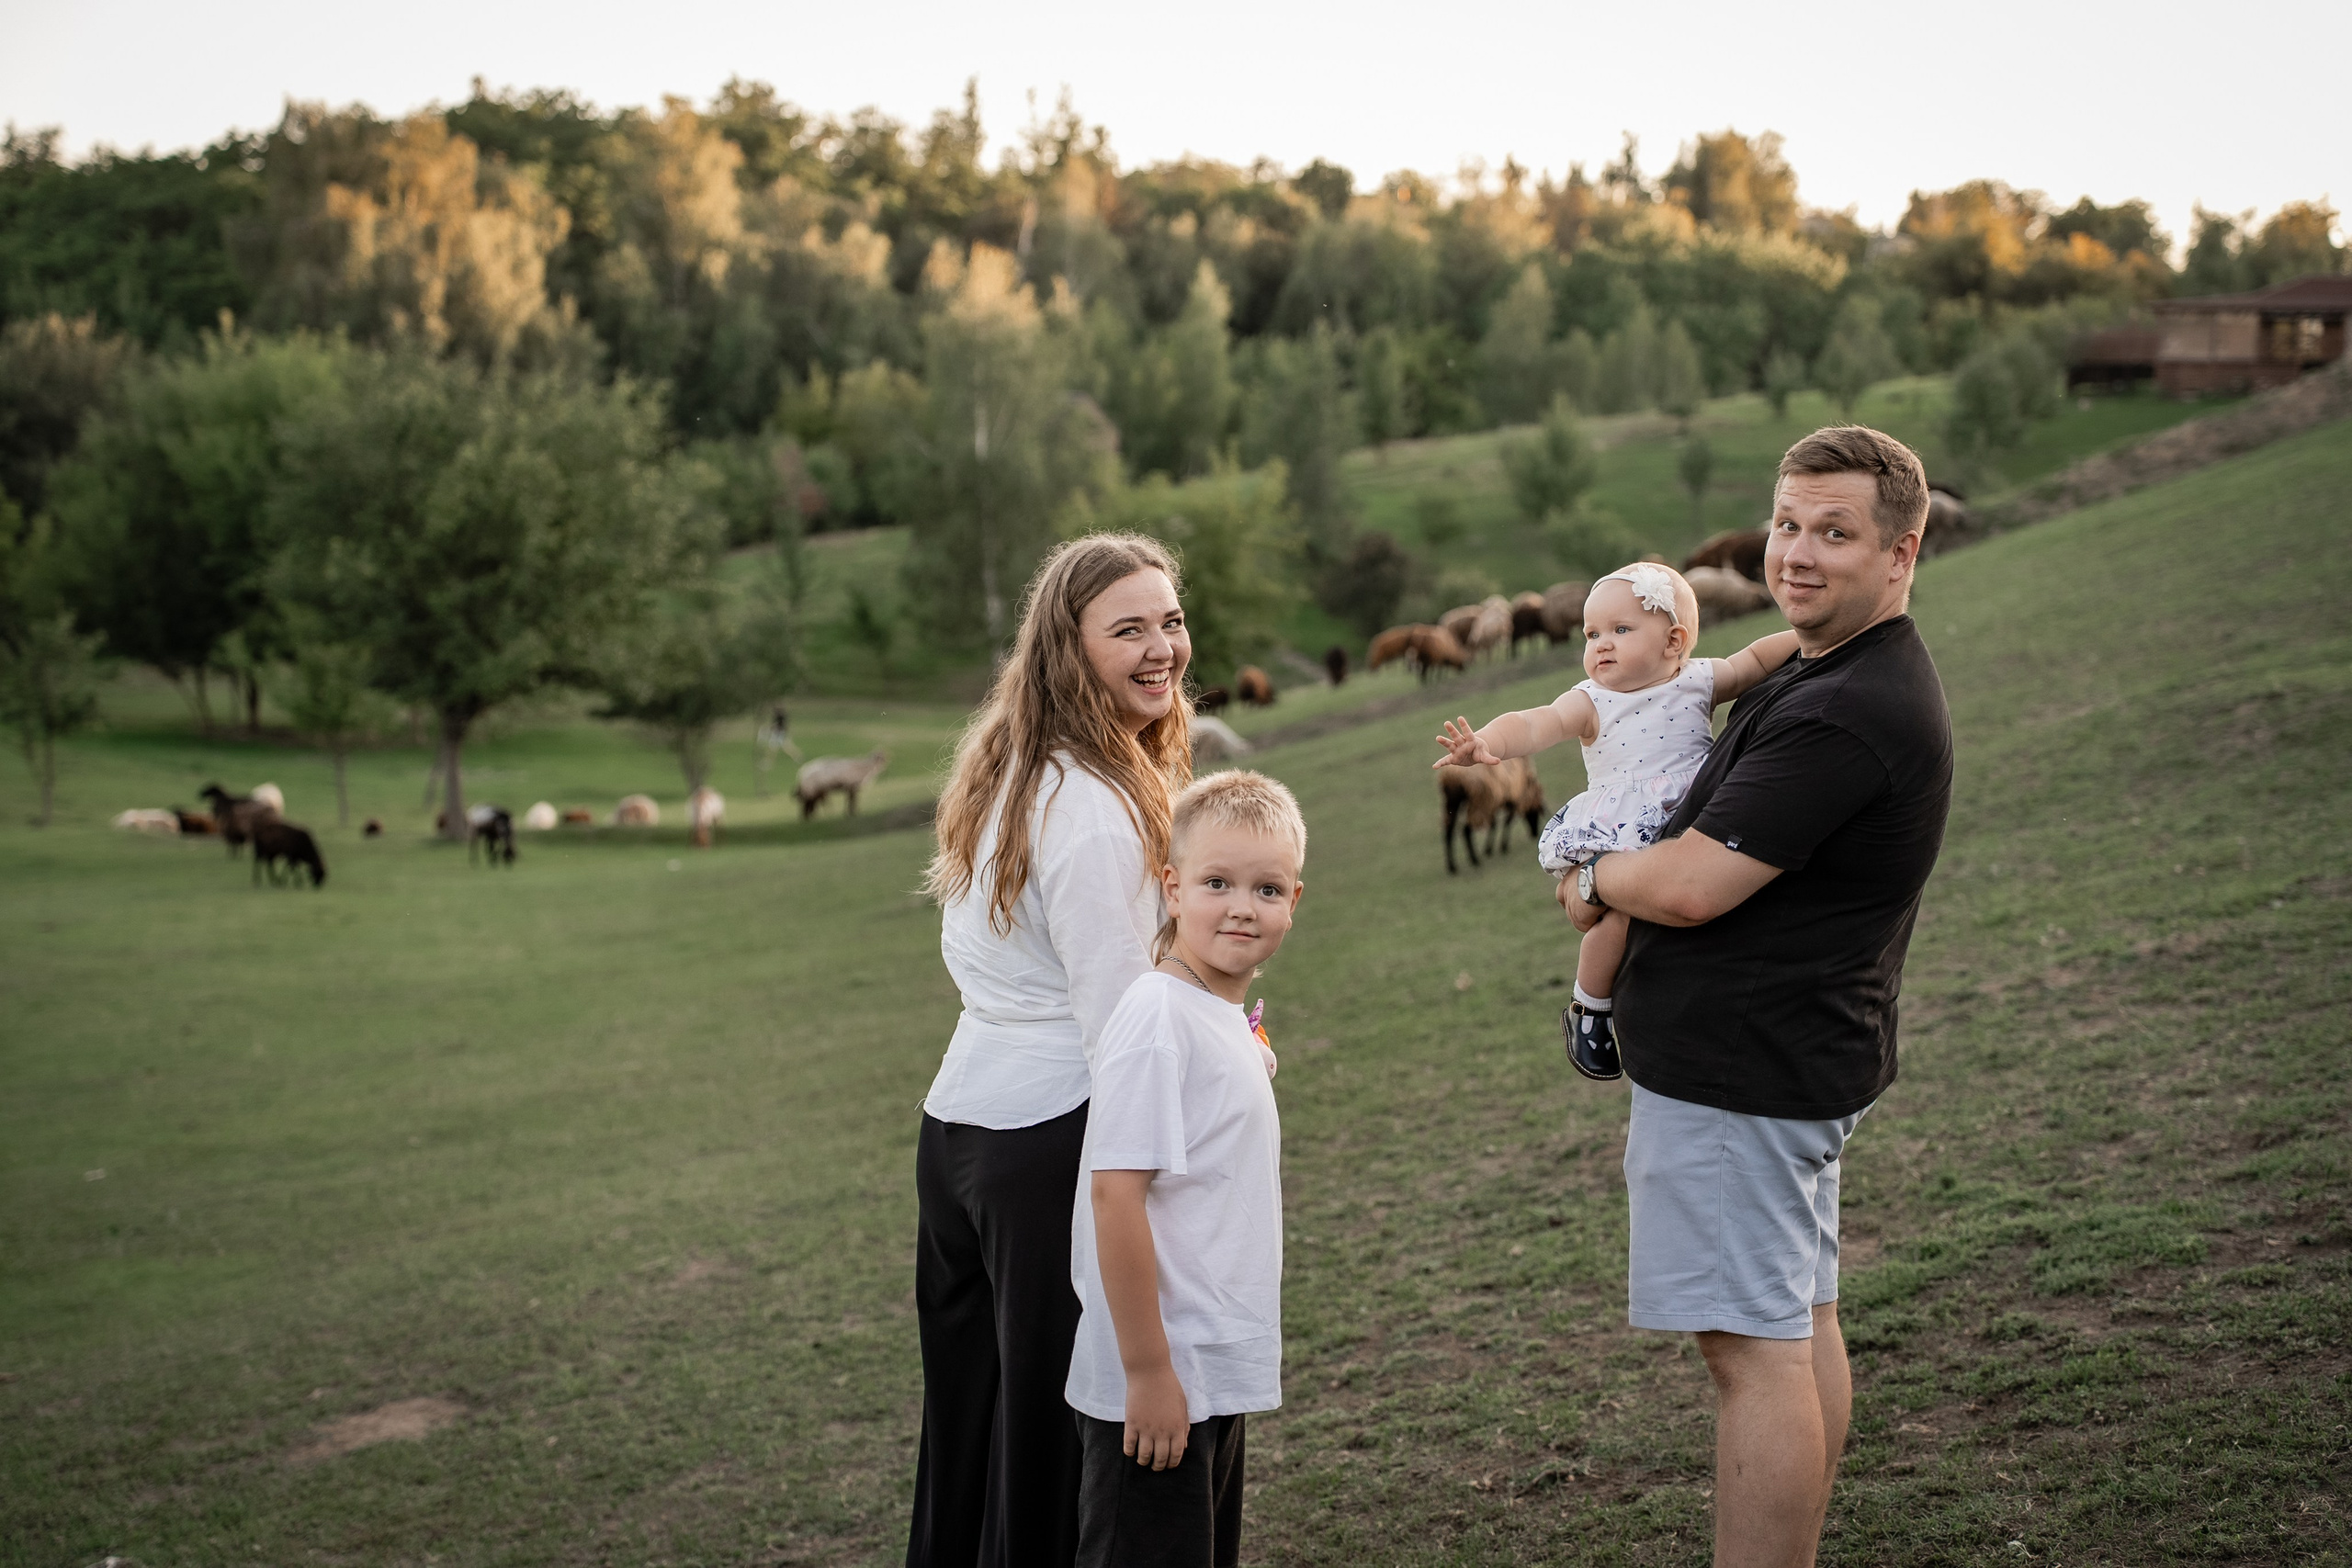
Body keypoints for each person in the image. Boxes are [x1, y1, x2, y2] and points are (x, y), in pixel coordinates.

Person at [1563, 425, 1954, 1568]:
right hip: (1787, 1058)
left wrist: (1588, 875)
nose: (1795, 553)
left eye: (1834, 532)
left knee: (1754, 1355)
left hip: (1746, 1075)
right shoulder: (1830, 668)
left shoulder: (1847, 708)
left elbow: (1686, 887)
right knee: (1799, 1324)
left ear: (1899, 552)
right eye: (1787, 524)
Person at [910, 535, 1193, 1568]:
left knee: (973, 1441)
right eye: (1129, 629)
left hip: (958, 1139)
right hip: (1045, 1148)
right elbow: (1122, 1027)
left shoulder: (1017, 769)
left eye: (1169, 620)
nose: (1162, 647)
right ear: (1069, 651)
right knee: (1037, 1451)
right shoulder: (1090, 811)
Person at [1066, 771, 1306, 1568]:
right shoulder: (1157, 1016)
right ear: (1171, 888)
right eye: (1216, 882)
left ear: (1294, 901)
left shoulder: (1215, 1010)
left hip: (1210, 1371)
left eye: (1266, 887)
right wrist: (1146, 1370)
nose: (1242, 905)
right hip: (1162, 1379)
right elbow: (1114, 1196)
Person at [1431, 561, 1798, 1078]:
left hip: (1696, 818)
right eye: (1592, 633)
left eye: (1620, 630)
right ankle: (1590, 1008)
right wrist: (1486, 741)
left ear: (1674, 641)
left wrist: (1813, 636)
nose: (1600, 644)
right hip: (1627, 831)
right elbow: (1539, 722)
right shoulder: (1591, 701)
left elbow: (1755, 659)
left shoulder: (1698, 679)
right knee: (1618, 923)